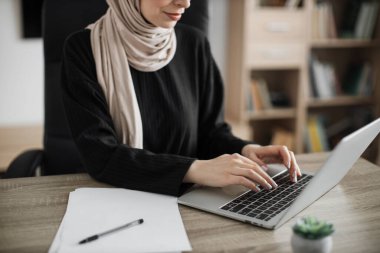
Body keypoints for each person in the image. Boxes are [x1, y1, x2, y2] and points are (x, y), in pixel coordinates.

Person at [61, 0, 301, 197]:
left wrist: (245, 149)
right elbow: (100, 154)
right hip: (118, 197)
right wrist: (194, 169)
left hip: (190, 199)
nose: (185, 3)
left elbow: (211, 134)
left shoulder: (195, 44)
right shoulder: (83, 50)